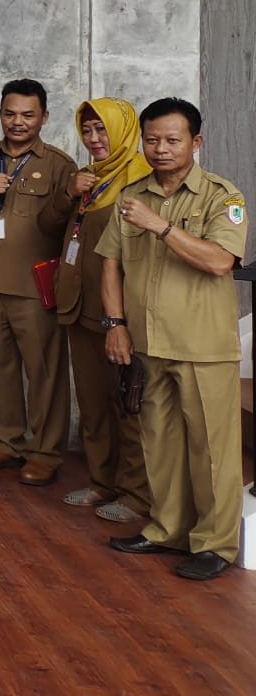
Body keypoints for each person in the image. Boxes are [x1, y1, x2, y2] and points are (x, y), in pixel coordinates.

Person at [100, 98, 248, 581]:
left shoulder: (222, 196)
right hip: (148, 342)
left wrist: (159, 226)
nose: (160, 149)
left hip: (203, 346)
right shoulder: (131, 194)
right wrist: (115, 324)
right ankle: (167, 530)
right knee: (159, 444)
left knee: (211, 451)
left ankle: (215, 544)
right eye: (152, 140)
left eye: (172, 140)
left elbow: (220, 261)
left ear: (196, 142)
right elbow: (110, 264)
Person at [0, 79, 78, 486]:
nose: (18, 121)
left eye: (28, 115)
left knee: (44, 373)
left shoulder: (60, 164)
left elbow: (67, 226)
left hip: (34, 287)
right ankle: (5, 442)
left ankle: (44, 452)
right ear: (0, 114)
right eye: (10, 113)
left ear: (44, 117)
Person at [55, 98, 152, 522]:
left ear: (123, 130)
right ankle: (102, 480)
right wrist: (68, 192)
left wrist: (121, 319)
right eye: (88, 130)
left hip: (118, 314)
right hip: (80, 307)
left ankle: (136, 494)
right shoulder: (89, 178)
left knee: (127, 404)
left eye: (102, 130)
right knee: (93, 402)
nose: (94, 139)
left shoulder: (141, 179)